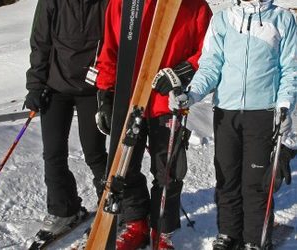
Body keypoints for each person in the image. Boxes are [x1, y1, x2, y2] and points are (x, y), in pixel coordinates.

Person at [166, 0, 296, 249]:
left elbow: (290, 69)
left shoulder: (282, 19)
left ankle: (254, 238)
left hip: (263, 112)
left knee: (256, 181)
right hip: (226, 112)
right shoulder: (223, 20)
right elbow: (210, 66)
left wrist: (284, 106)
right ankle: (228, 232)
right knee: (226, 177)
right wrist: (191, 94)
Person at [95, 0, 212, 249]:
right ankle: (136, 222)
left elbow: (209, 49)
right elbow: (110, 48)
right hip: (129, 99)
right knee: (125, 166)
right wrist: (105, 95)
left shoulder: (193, 5)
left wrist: (183, 71)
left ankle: (162, 230)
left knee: (168, 170)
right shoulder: (123, 4)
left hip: (167, 101)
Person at [24, 0, 109, 236]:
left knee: (94, 151)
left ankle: (112, 207)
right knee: (53, 153)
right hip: (55, 87)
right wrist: (35, 86)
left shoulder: (107, 3)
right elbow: (40, 41)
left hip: (92, 89)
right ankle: (65, 210)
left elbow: (115, 43)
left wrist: (110, 90)